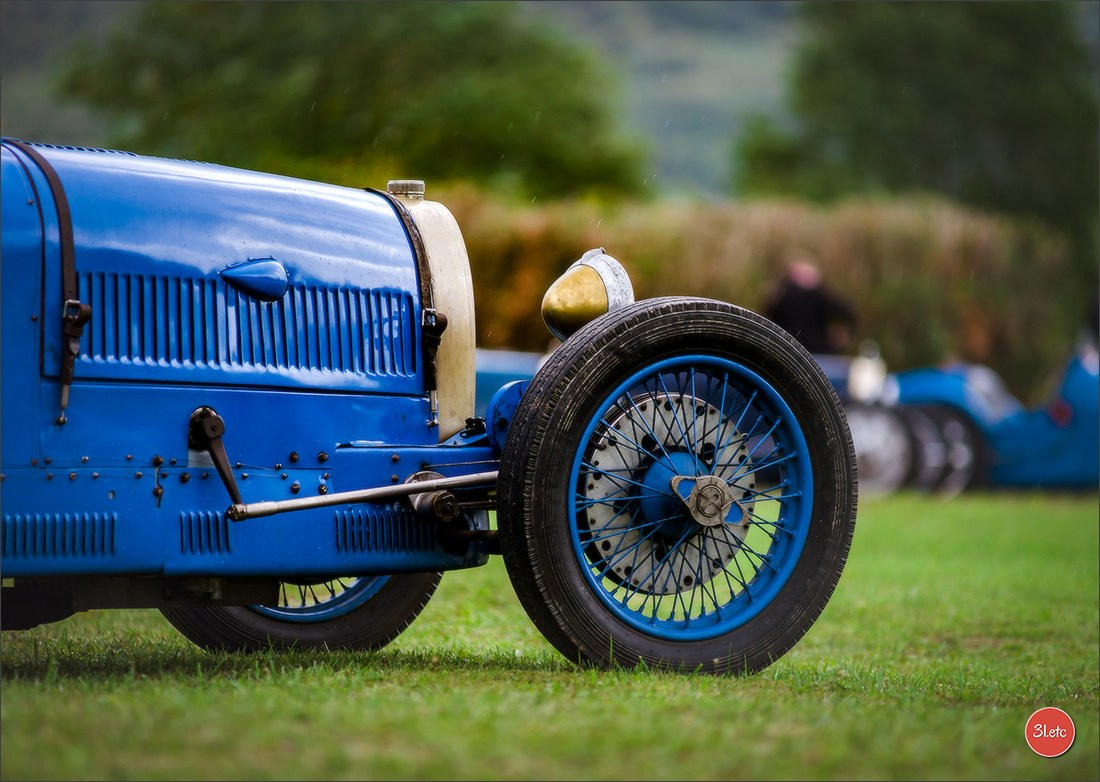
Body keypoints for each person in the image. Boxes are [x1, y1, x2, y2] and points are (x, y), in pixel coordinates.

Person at [763, 254, 858, 355]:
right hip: (817, 354)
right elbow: (849, 312)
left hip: (787, 352)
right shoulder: (822, 295)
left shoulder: (777, 296)